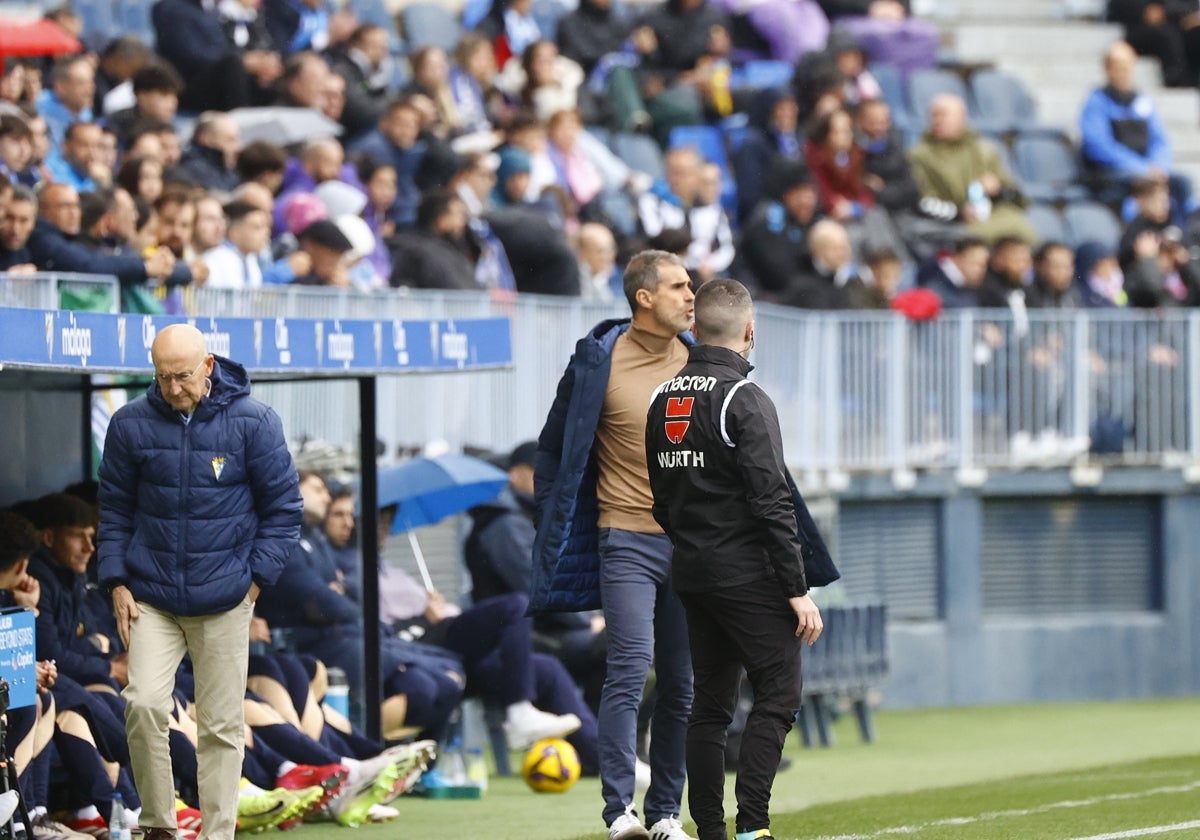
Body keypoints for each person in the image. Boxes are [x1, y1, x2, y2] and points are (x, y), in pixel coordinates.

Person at [97, 323, 303, 840]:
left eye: (183, 376)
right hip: (153, 595)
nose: (172, 388)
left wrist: (254, 582)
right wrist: (116, 581)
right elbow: (114, 512)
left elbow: (284, 510)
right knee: (142, 703)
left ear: (208, 366)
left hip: (226, 595)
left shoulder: (254, 422)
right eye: (163, 377)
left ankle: (217, 834)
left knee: (221, 727)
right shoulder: (128, 424)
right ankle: (159, 826)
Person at [646, 277, 834, 840]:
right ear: (750, 330)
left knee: (710, 704)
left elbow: (660, 499)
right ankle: (753, 826)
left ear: (694, 327)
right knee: (779, 693)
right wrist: (797, 588)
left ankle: (709, 831)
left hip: (692, 573)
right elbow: (772, 500)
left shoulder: (661, 397)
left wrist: (695, 545)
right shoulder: (743, 398)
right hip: (748, 573)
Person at [532, 249, 697, 840]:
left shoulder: (702, 363)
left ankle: (665, 815)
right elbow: (551, 447)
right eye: (678, 286)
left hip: (693, 549)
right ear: (643, 298)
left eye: (691, 285)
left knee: (684, 683)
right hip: (624, 537)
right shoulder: (596, 362)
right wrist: (549, 512)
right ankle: (619, 812)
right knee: (629, 668)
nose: (690, 295)